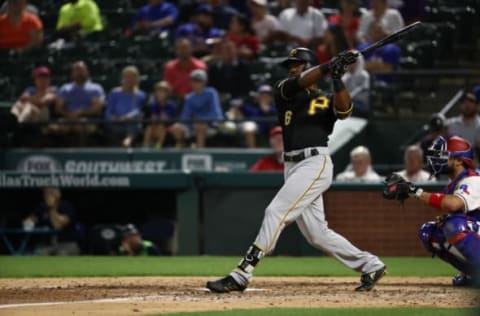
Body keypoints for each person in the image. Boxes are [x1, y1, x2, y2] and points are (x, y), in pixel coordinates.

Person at [206, 47, 386, 292]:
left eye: (298, 63)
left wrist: (335, 77)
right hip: (292, 165)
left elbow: (345, 111)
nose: (292, 67)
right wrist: (326, 66)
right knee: (317, 235)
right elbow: (300, 82)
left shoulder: (324, 97)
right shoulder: (286, 90)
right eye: (291, 63)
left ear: (309, 64)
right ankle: (371, 265)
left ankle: (242, 273)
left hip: (315, 162)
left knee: (275, 212)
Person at [383, 136, 480, 286]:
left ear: (459, 161)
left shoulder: (473, 179)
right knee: (430, 232)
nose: (437, 160)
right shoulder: (455, 183)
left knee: (454, 225)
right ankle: (471, 274)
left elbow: (453, 204)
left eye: (443, 156)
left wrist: (415, 191)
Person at [171, 69, 223, 148]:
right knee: (176, 128)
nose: (196, 83)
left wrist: (201, 120)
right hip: (192, 125)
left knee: (200, 126)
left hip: (211, 124)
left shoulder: (211, 93)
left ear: (204, 82)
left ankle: (200, 151)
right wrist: (186, 125)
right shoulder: (189, 97)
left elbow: (215, 112)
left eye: (199, 81)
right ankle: (182, 150)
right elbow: (185, 117)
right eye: (194, 81)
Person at [24, 187, 80, 255]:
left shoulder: (67, 206)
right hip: (47, 245)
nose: (48, 196)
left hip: (67, 244)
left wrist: (52, 208)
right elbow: (31, 220)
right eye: (46, 193)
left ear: (59, 194)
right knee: (38, 254)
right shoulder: (41, 207)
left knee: (61, 254)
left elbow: (57, 226)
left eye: (51, 193)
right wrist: (29, 221)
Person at [105, 66, 147, 147]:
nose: (130, 80)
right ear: (122, 78)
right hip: (115, 123)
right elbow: (108, 111)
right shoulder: (114, 92)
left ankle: (128, 139)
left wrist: (127, 117)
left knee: (137, 118)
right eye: (127, 77)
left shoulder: (140, 95)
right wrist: (113, 118)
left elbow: (138, 110)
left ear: (137, 80)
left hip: (131, 123)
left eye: (133, 77)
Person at [143, 81, 177, 148]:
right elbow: (153, 118)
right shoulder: (152, 104)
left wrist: (162, 119)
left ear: (168, 93)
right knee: (149, 128)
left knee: (161, 127)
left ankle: (158, 147)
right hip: (153, 127)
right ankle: (145, 147)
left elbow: (169, 120)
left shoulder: (172, 105)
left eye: (163, 91)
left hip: (166, 128)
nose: (160, 94)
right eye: (158, 91)